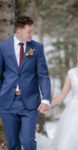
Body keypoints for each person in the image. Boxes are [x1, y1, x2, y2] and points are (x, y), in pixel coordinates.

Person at [0, 16, 51, 150]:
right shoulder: (3, 47)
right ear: (19, 31)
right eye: (29, 31)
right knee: (13, 144)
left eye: (32, 31)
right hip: (7, 102)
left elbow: (43, 75)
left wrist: (45, 99)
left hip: (29, 102)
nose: (32, 34)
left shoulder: (37, 48)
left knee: (28, 140)